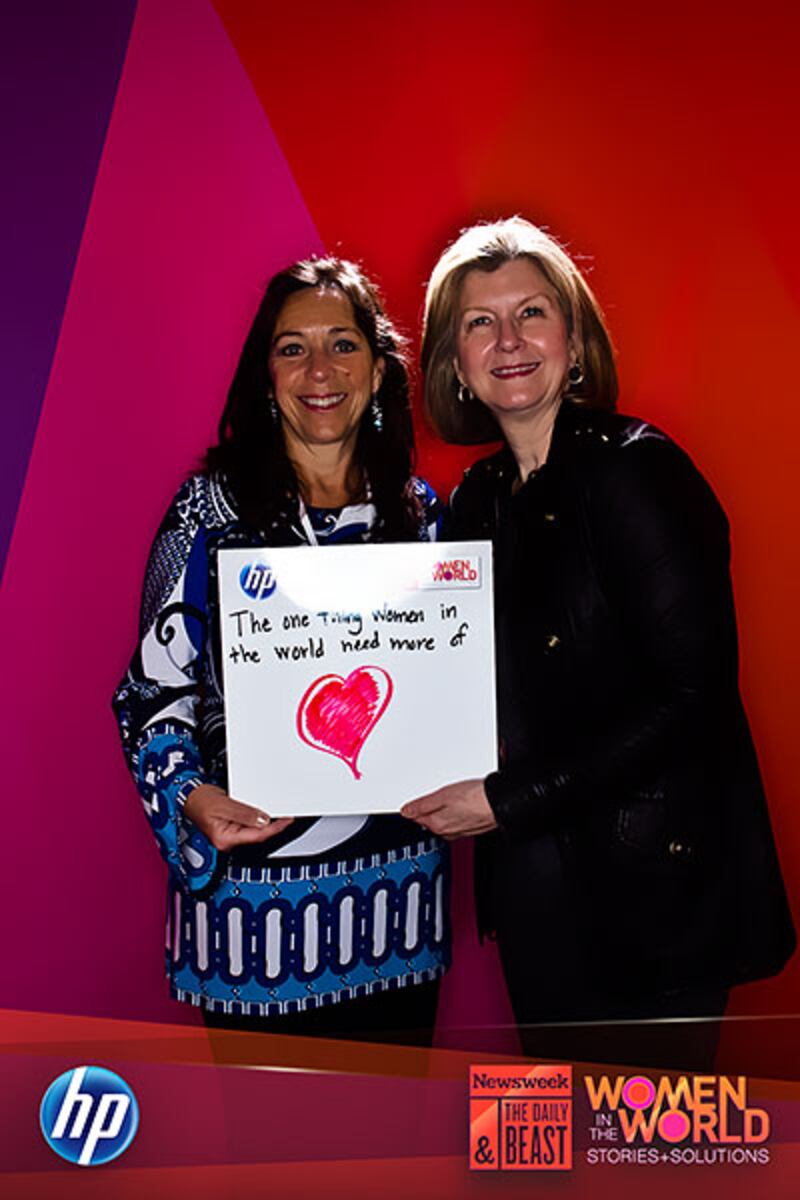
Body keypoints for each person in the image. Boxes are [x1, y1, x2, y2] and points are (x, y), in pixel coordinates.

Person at [401, 217, 795, 1066]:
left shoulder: (639, 472)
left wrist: (508, 799)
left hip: (654, 893)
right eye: (479, 323)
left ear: (574, 342)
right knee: (562, 1134)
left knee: (647, 1136)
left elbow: (691, 699)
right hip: (535, 888)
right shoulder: (474, 503)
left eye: (532, 313)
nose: (509, 341)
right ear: (455, 364)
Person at [113, 256, 449, 1044]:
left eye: (343, 344)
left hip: (396, 912)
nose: (319, 370)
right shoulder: (207, 513)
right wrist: (191, 796)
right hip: (255, 920)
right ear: (266, 377)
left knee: (393, 1123)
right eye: (293, 348)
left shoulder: (422, 517)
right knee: (274, 1128)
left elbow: (450, 687)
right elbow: (151, 693)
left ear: (378, 370)